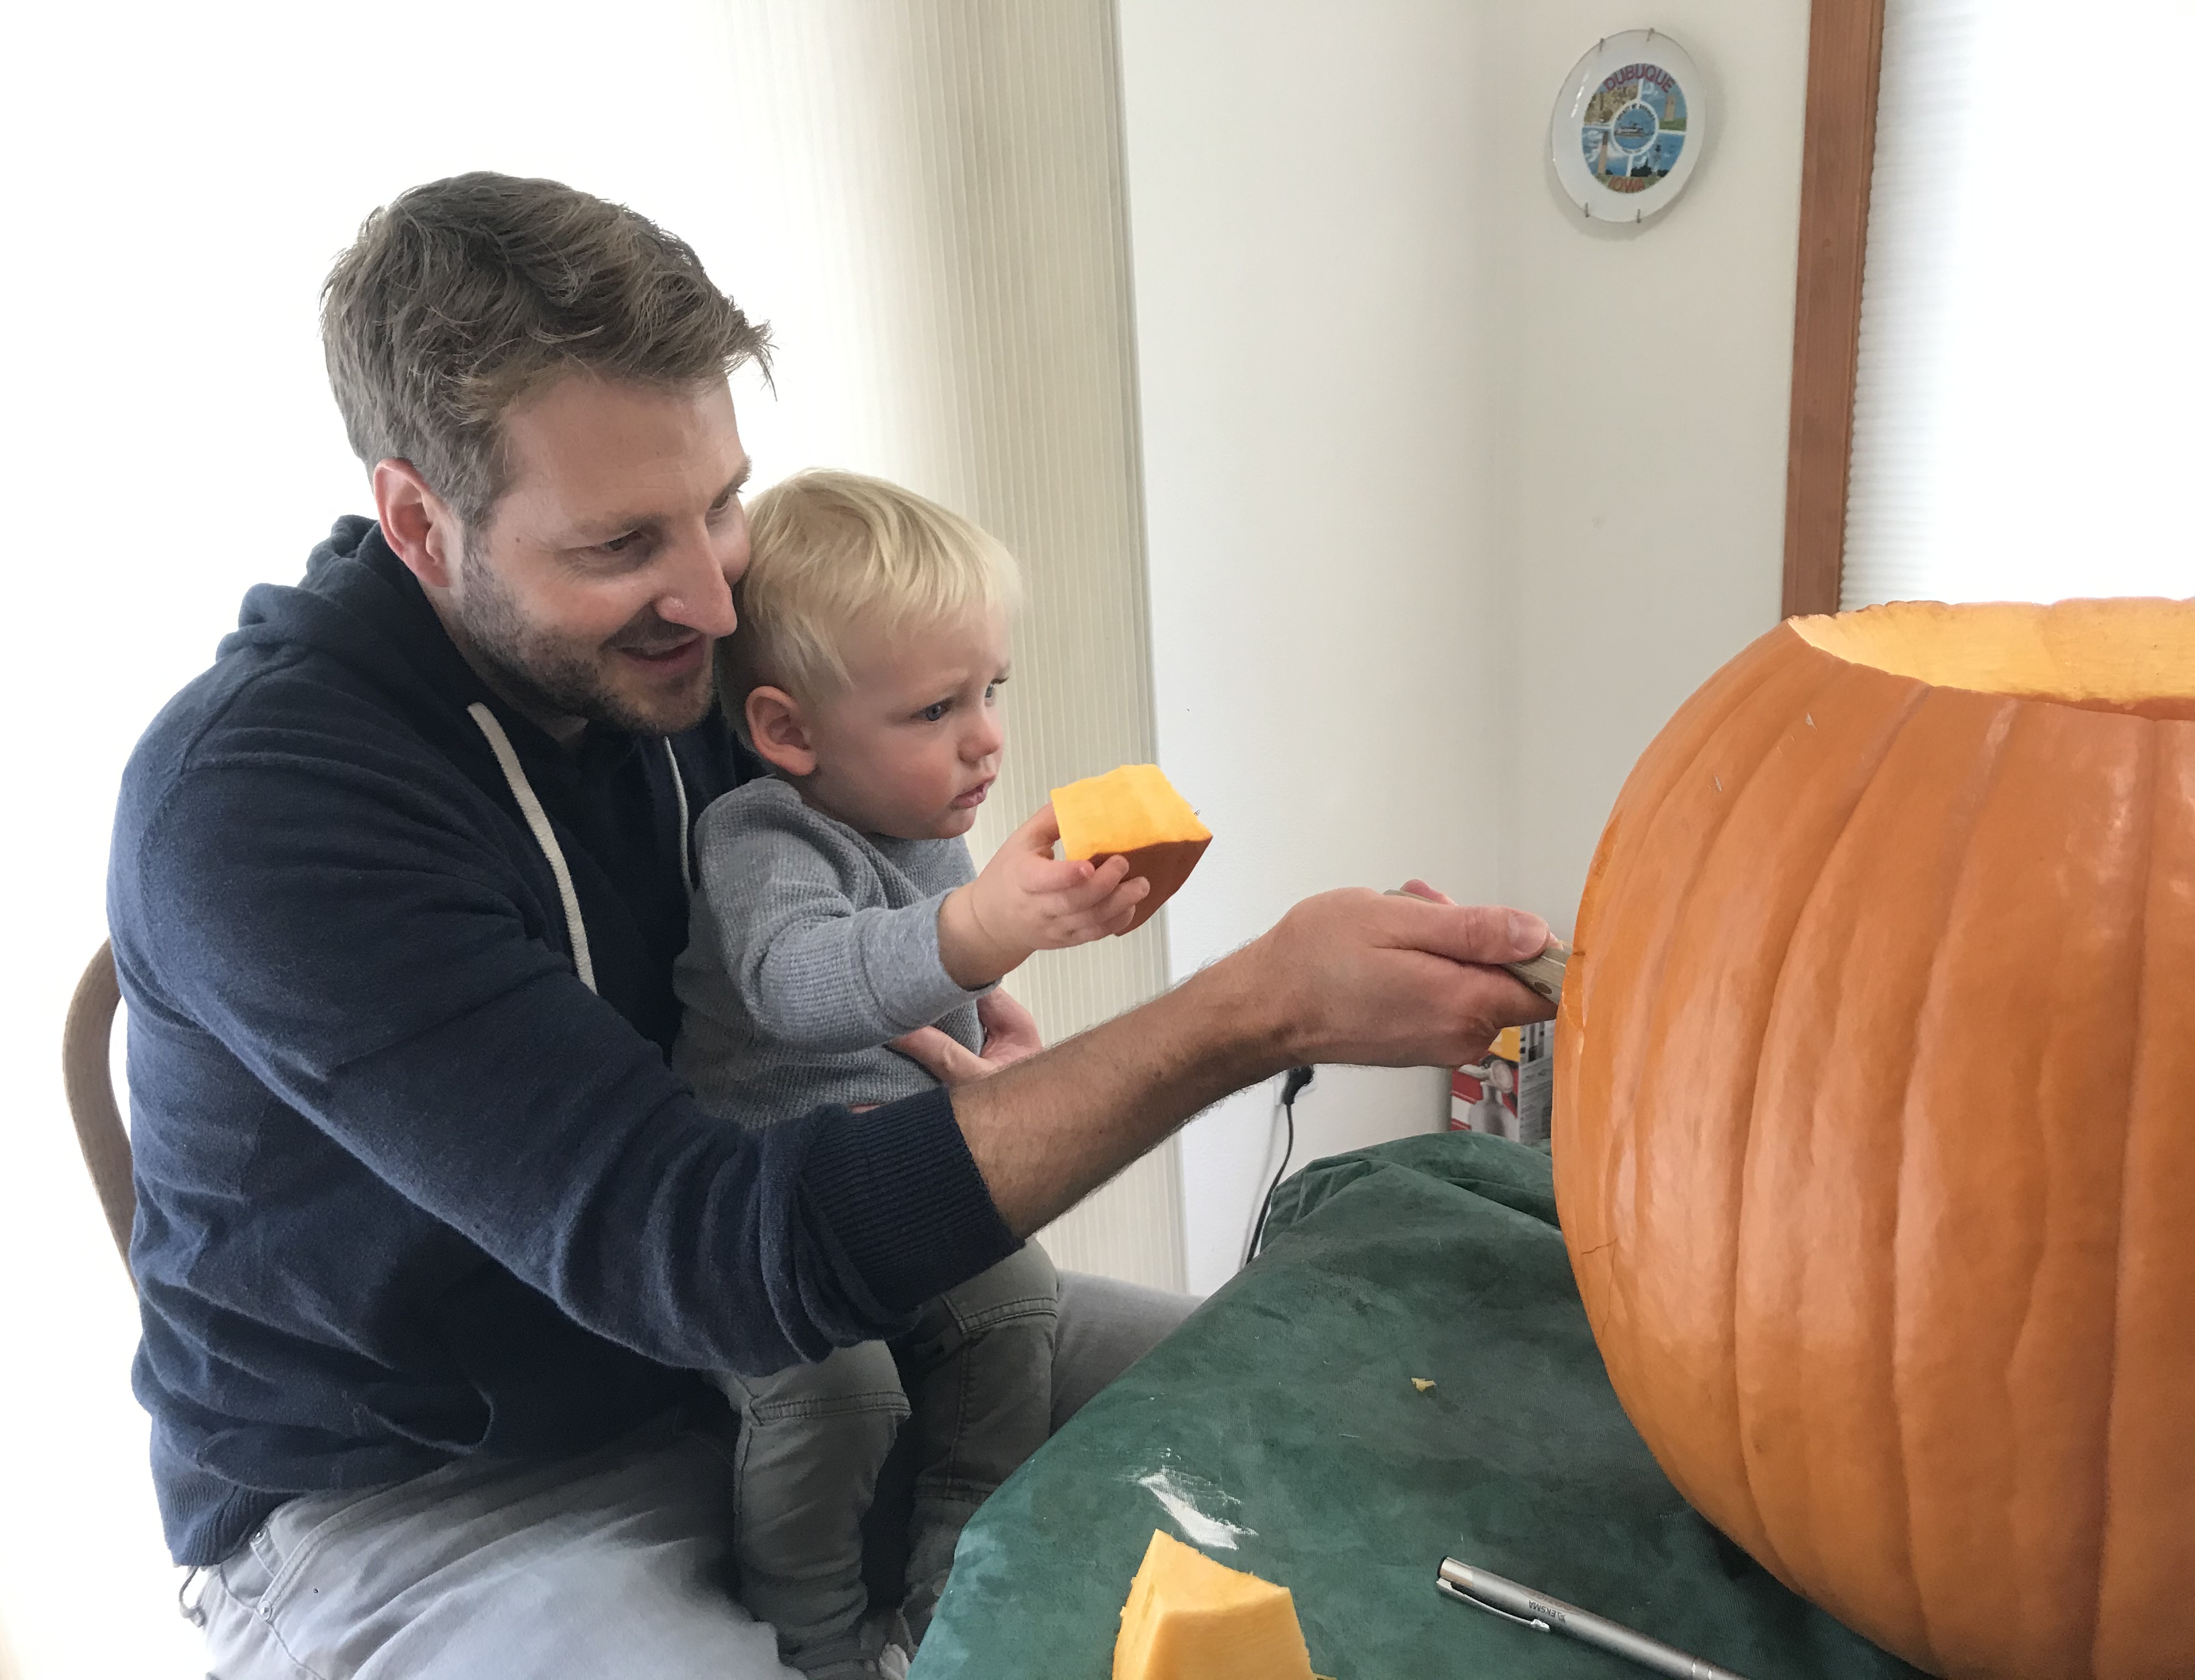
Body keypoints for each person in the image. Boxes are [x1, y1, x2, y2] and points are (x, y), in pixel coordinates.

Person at [108, 172, 1555, 1679]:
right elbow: (707, 1254)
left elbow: (864, 897)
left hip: (778, 1340)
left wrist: (963, 969)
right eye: (620, 547)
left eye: (721, 505)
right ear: (419, 519)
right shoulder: (259, 810)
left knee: (1325, 1430)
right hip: (432, 1493)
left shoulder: (679, 663)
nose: (715, 605)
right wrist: (1249, 1012)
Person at [671, 471, 1146, 1676]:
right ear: (788, 732)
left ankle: (950, 1606)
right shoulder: (761, 834)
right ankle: (818, 1647)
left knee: (1016, 1306)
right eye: (937, 708)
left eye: (990, 690)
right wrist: (980, 930)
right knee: (838, 1405)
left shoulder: (934, 829)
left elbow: (941, 1000)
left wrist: (996, 1046)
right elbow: (806, 982)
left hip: (899, 1179)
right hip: (770, 1210)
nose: (986, 736)